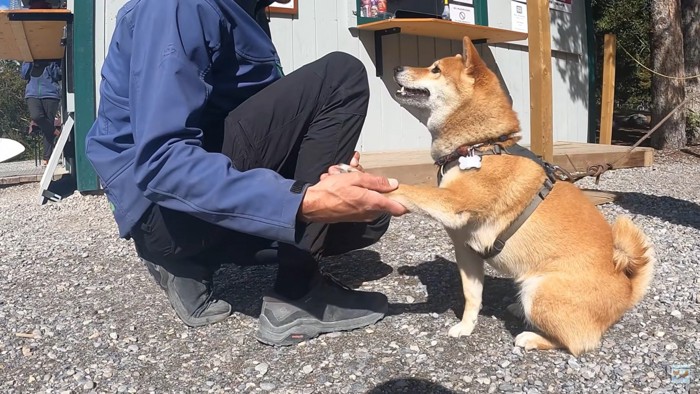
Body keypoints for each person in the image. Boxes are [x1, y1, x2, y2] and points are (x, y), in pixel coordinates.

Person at [84, 0, 408, 346]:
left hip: (180, 212)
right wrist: (304, 201)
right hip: (162, 210)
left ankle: (188, 263)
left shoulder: (245, 10)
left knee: (366, 217)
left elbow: (259, 131)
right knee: (341, 77)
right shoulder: (179, 6)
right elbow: (162, 161)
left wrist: (325, 164)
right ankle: (298, 294)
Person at [21, 60, 62, 166]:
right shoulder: (29, 57)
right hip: (32, 94)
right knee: (36, 116)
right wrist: (30, 62)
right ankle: (55, 131)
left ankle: (47, 157)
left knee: (48, 123)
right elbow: (24, 75)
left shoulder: (53, 57)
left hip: (51, 94)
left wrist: (49, 63)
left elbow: (58, 75)